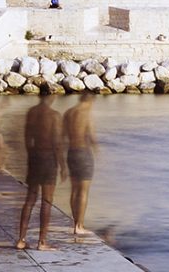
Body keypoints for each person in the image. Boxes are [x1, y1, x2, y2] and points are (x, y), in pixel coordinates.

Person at [17, 84, 62, 251]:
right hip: (48, 159)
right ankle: (42, 242)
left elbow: (27, 138)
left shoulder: (32, 113)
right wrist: (63, 165)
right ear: (51, 96)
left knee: (30, 199)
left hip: (34, 157)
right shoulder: (54, 115)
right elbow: (57, 142)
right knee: (47, 200)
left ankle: (21, 239)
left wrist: (31, 157)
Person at [63, 92, 98, 237]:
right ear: (90, 101)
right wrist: (98, 151)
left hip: (71, 152)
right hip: (84, 152)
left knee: (74, 189)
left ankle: (74, 223)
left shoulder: (68, 113)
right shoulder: (87, 113)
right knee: (83, 191)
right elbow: (92, 136)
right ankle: (80, 225)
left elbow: (63, 136)